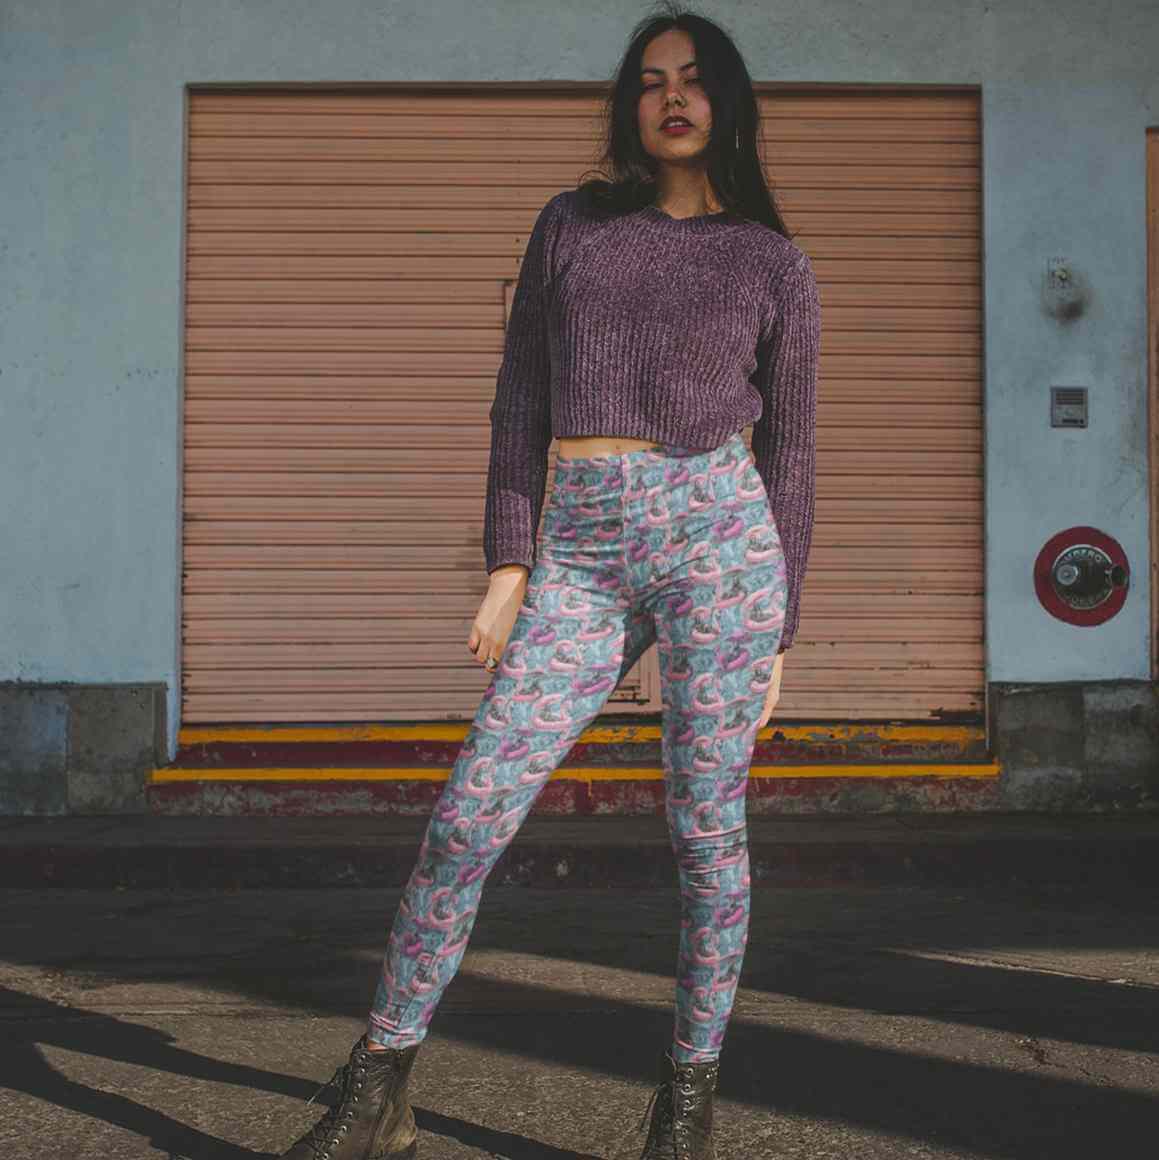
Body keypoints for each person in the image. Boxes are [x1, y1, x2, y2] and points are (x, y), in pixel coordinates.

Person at [277, 6, 820, 1159]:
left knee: (705, 832)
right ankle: (380, 1090)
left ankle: (684, 1108)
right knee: (469, 815)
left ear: (727, 100)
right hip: (577, 552)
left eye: (693, 78)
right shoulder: (572, 224)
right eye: (649, 79)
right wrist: (506, 562)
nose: (670, 96)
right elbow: (520, 391)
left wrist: (783, 633)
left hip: (720, 544)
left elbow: (794, 453)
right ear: (628, 103)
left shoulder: (771, 259)